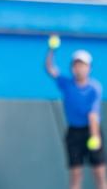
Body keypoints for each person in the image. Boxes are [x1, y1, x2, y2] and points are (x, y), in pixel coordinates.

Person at [46, 48, 107, 189]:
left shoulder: (95, 88)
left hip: (92, 132)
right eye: (76, 65)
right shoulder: (66, 84)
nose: (79, 68)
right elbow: (49, 68)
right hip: (74, 133)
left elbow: (93, 114)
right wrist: (51, 50)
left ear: (89, 68)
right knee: (75, 176)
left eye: (83, 65)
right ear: (72, 68)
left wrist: (94, 136)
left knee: (99, 174)